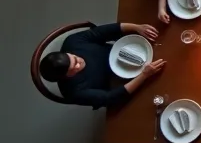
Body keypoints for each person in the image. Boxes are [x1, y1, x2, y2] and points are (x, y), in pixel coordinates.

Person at [37, 22, 165, 109]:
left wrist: (137, 27)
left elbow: (104, 32)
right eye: (74, 68)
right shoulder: (73, 92)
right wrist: (144, 75)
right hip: (121, 84)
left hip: (129, 51)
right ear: (65, 77)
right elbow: (111, 98)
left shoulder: (73, 42)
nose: (79, 62)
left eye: (74, 58)